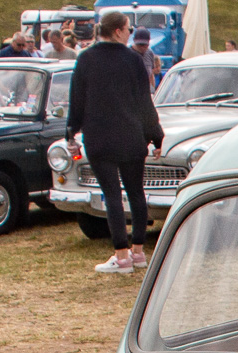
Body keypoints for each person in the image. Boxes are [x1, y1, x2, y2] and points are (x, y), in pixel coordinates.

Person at [67, 9, 162, 274]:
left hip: (100, 135)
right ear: (119, 30)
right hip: (131, 134)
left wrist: (71, 131)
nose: (131, 33)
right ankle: (139, 252)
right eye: (129, 29)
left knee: (111, 195)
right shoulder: (134, 60)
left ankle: (121, 256)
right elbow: (145, 102)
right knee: (136, 193)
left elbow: (77, 99)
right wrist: (156, 135)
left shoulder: (86, 59)